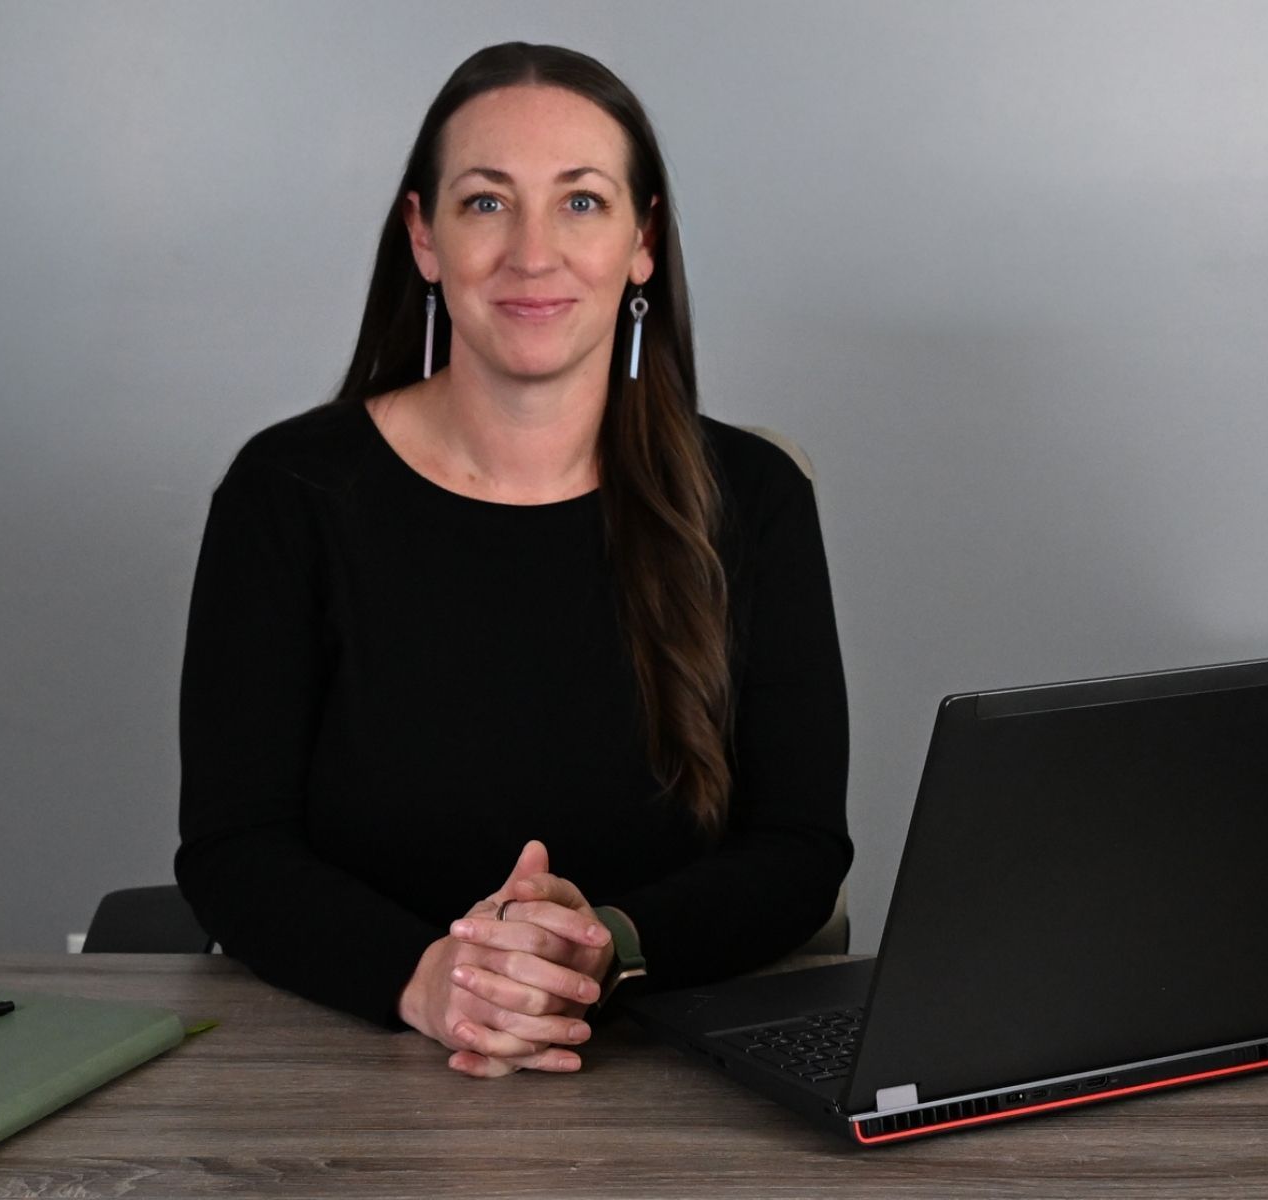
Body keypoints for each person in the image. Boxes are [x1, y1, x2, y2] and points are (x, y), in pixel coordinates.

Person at [174, 42, 850, 1079]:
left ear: (643, 242)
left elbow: (799, 849)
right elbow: (234, 845)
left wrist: (601, 949)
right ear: (423, 237)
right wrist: (426, 975)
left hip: (674, 1084)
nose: (533, 254)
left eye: (580, 203)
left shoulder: (752, 500)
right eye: (487, 204)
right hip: (343, 1074)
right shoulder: (289, 493)